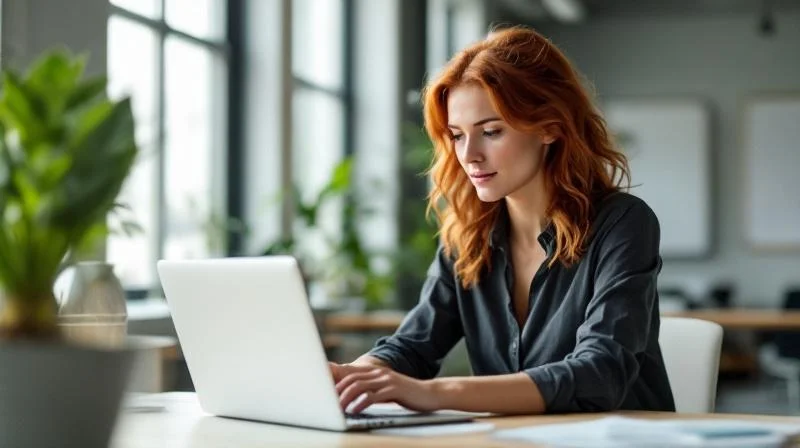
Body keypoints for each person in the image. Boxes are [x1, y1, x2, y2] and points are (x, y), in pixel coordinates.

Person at [329, 25, 676, 415]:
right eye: (457, 136)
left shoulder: (623, 224)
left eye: (491, 131)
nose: (469, 155)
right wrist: (350, 376)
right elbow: (412, 346)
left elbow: (599, 374)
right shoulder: (467, 236)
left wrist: (435, 393)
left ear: (550, 127)